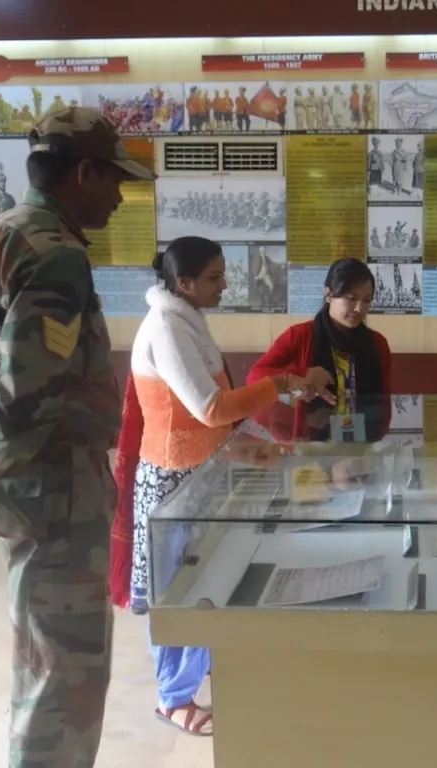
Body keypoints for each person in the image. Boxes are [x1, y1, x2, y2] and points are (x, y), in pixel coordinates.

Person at [0, 106, 153, 768]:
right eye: (115, 179)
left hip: (27, 498)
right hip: (57, 499)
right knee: (66, 686)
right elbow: (26, 403)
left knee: (41, 671)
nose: (119, 195)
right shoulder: (56, 257)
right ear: (83, 172)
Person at [111, 236, 319, 737]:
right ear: (183, 283)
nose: (225, 284)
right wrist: (284, 384)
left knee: (205, 584)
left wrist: (246, 444)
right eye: (214, 277)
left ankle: (196, 674)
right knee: (178, 595)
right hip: (171, 481)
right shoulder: (166, 327)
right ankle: (173, 698)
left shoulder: (186, 321)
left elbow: (208, 415)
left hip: (200, 472)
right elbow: (210, 409)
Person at [246, 257, 393, 441]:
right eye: (351, 298)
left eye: (367, 300)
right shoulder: (300, 336)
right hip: (312, 445)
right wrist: (300, 375)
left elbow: (384, 403)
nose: (359, 308)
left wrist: (377, 441)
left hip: (363, 441)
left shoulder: (377, 344)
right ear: (329, 294)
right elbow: (255, 377)